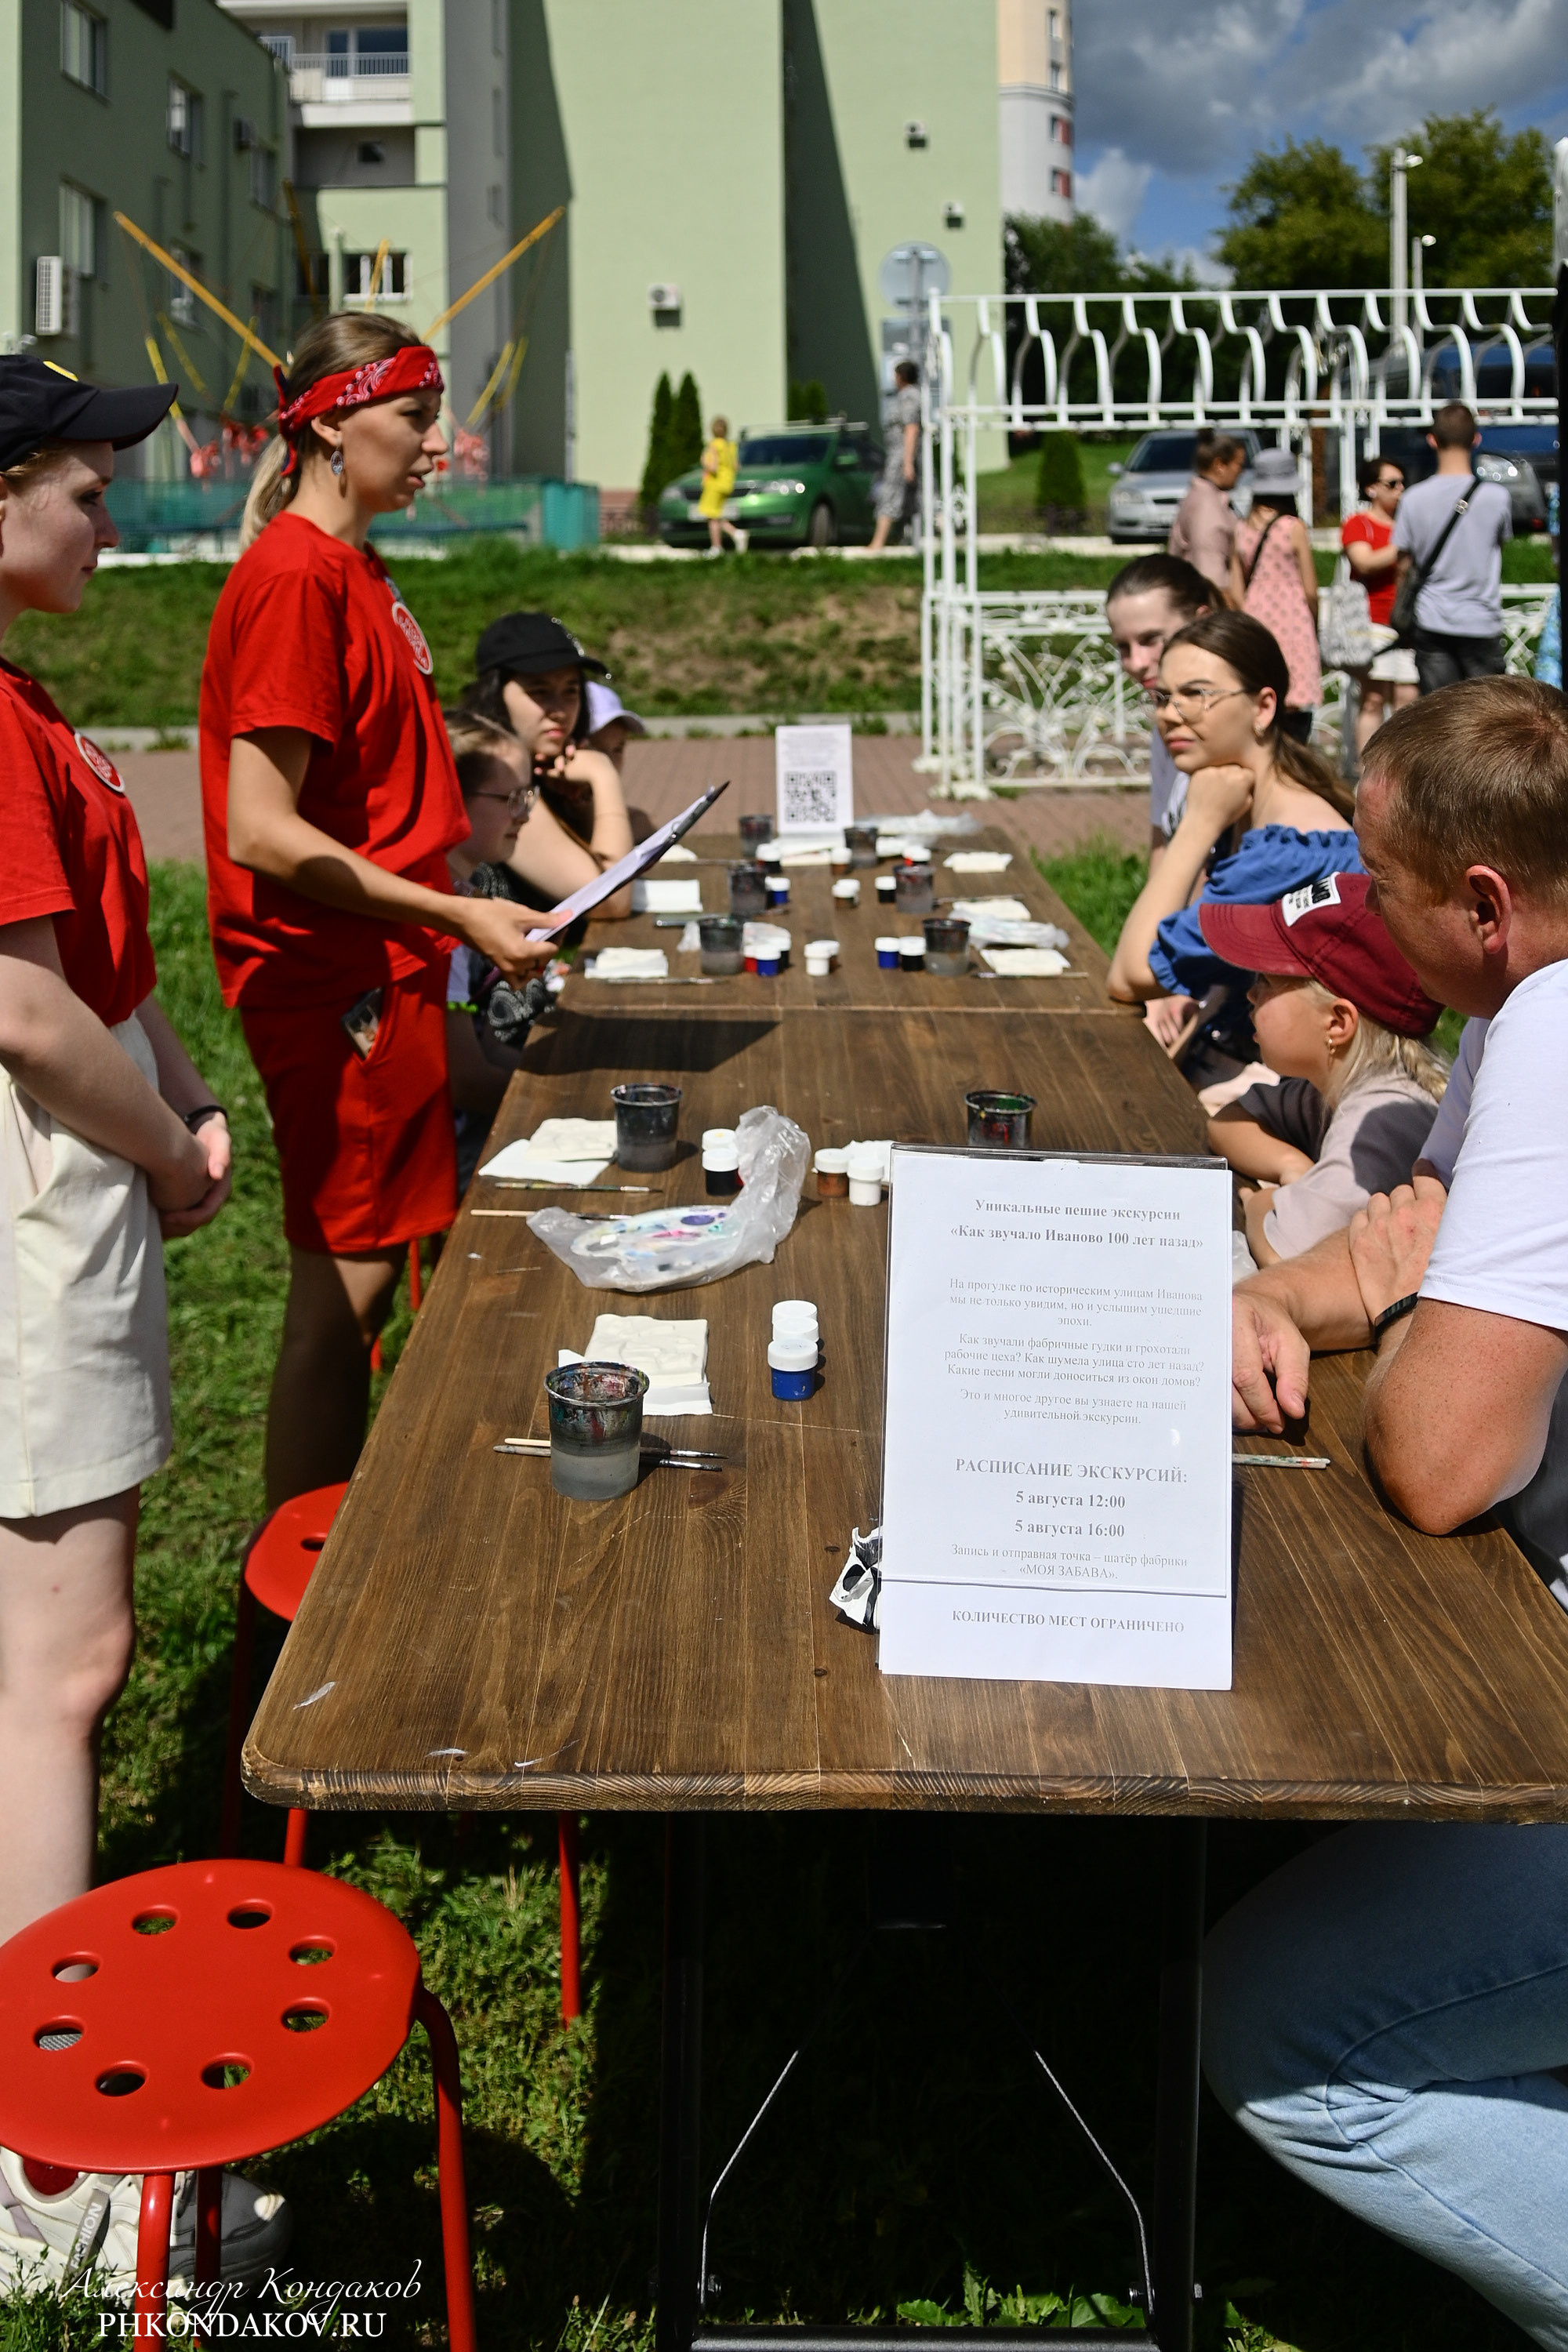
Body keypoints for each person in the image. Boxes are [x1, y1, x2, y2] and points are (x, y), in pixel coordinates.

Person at [1209, 675, 1568, 2352]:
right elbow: (1384, 1251)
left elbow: (1438, 1464)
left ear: (1482, 907)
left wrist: (1411, 1316)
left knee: (1282, 2036)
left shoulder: (1555, 1038)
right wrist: (1290, 1306)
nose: (1349, 912)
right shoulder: (1520, 1010)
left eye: (1377, 880)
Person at [0, 358, 289, 2281]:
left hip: (70, 1159)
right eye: (85, 488)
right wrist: (169, 1152)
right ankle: (46, 2176)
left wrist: (174, 1090)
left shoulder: (21, 701)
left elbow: (98, 969)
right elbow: (23, 1013)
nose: (112, 517)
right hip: (36, 1189)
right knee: (60, 1667)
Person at [201, 313, 557, 1510]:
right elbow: (263, 827)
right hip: (334, 980)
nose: (436, 441)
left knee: (372, 1276)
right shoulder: (296, 577)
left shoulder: (357, 568)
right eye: (413, 414)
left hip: (393, 962)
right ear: (332, 424)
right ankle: (294, 1590)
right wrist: (454, 917)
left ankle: (354, 1534)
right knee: (340, 1296)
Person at [1106, 613, 1359, 1080]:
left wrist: (1198, 824)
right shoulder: (1251, 816)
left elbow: (1131, 975)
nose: (1168, 713)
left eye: (1195, 694)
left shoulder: (1291, 850)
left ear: (1263, 708)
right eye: (1162, 696)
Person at [1200, 873, 1446, 1267]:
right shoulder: (1337, 1084)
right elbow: (1227, 1122)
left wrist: (1263, 1202)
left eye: (1266, 980)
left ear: (1336, 1022)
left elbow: (1287, 1255)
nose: (1251, 994)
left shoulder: (1381, 1122)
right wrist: (1291, 1166)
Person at [458, 612, 637, 913]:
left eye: (571, 690)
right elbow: (611, 901)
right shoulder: (496, 777)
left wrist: (581, 801)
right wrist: (603, 774)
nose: (559, 710)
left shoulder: (543, 767)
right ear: (494, 695)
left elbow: (638, 827)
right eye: (539, 691)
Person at [444, 726, 546, 1192]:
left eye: (529, 795)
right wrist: (561, 1102)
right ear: (450, 799)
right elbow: (465, 1079)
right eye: (510, 798)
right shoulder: (441, 917)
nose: (525, 815)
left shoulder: (466, 891)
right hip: (459, 1158)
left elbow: (484, 1042)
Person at [1393, 400, 1511, 695]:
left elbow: (1403, 565)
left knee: (1441, 720)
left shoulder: (1412, 499)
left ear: (1432, 441)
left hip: (1432, 620)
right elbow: (1499, 549)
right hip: (1481, 620)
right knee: (1487, 721)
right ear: (1476, 439)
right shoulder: (1497, 497)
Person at [1105, 553, 1215, 866]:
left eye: (1150, 639)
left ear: (1201, 620)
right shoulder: (1167, 718)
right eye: (1123, 647)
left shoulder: (1227, 729)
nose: (1136, 663)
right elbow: (1162, 845)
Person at [1230, 448, 1319, 741]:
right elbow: (1309, 588)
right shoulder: (1293, 527)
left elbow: (1236, 589)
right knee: (1294, 701)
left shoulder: (1241, 529)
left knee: (1262, 692)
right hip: (1292, 620)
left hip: (1256, 619)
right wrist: (1314, 621)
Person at [1341, 452, 1418, 753]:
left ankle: (1404, 773)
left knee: (1408, 700)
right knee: (1373, 698)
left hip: (1409, 621)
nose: (1400, 489)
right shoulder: (1359, 524)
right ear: (1371, 488)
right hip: (1372, 621)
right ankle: (1367, 773)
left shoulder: (1407, 524)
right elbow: (1365, 562)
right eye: (1392, 483)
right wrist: (1402, 546)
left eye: (1403, 483)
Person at [1167, 429, 1246, 604]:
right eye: (1239, 464)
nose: (1241, 472)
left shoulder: (1201, 497)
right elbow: (1213, 577)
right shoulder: (1207, 506)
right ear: (1220, 465)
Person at [869, 361, 921, 553]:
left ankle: (877, 544)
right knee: (922, 499)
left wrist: (907, 462)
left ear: (902, 376)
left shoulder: (909, 397)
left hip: (902, 456)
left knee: (889, 495)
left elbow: (911, 428)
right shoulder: (908, 396)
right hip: (904, 456)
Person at [698, 415, 742, 557]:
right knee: (716, 514)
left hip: (715, 484)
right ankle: (737, 534)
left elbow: (713, 467)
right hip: (727, 483)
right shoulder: (730, 446)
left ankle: (717, 547)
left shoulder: (714, 445)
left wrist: (704, 461)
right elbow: (736, 467)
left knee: (711, 516)